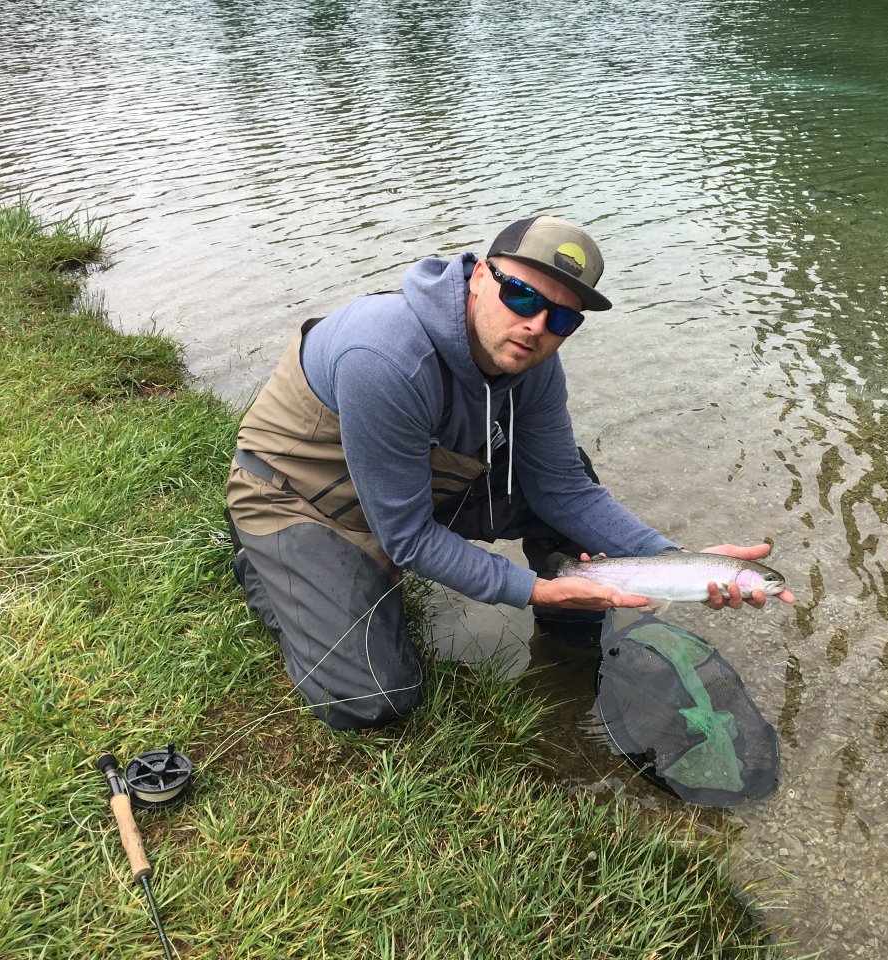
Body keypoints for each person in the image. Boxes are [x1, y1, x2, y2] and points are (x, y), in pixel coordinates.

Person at [225, 215, 794, 730]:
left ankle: (576, 629)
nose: (537, 325)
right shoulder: (383, 354)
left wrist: (674, 559)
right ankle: (267, 566)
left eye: (563, 317)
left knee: (577, 477)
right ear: (477, 277)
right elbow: (406, 537)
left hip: (420, 486)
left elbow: (562, 487)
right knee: (373, 698)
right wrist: (534, 591)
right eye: (520, 295)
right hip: (301, 498)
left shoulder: (535, 364)